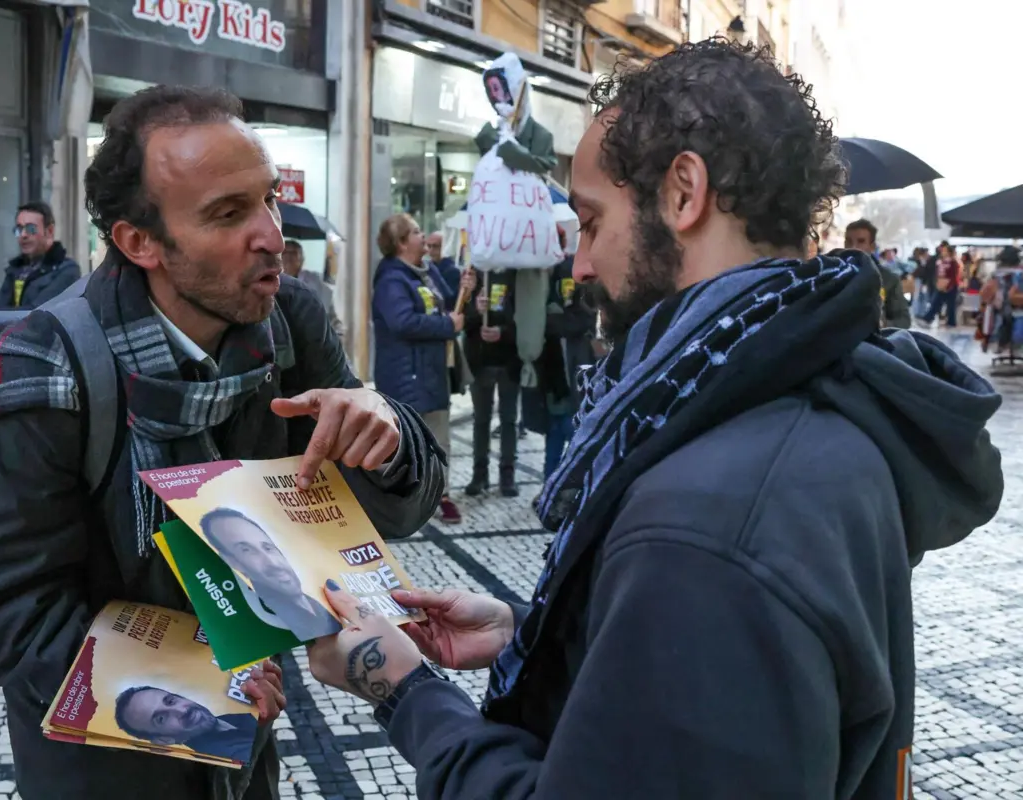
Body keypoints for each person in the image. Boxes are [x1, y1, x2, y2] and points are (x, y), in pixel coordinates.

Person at [303, 39, 1004, 798]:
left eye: (591, 221)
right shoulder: (819, 399)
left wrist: (406, 691)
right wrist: (546, 633)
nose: (579, 264)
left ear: (683, 194)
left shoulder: (707, 518)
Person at [0, 85, 446, 800]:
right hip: (102, 765)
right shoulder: (39, 368)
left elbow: (378, 513)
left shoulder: (287, 320)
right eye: (228, 214)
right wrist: (197, 690)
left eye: (268, 199)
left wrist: (386, 440)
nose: (272, 235)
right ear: (139, 243)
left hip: (244, 758)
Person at [371, 212, 471, 524]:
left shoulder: (426, 272)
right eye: (416, 231)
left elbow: (449, 303)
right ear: (401, 243)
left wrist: (466, 290)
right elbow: (402, 322)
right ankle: (404, 500)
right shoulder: (391, 279)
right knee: (406, 441)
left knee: (439, 438)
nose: (423, 236)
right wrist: (447, 326)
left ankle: (441, 495)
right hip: (406, 376)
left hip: (432, 373)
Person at [201, 508, 341, 640]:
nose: (273, 563)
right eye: (246, 550)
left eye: (268, 547)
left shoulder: (320, 601)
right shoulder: (268, 620)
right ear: (232, 562)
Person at [532, 229, 595, 481]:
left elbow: (582, 316)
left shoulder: (571, 271)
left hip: (571, 364)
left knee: (570, 426)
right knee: (555, 430)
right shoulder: (534, 275)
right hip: (549, 369)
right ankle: (551, 484)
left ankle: (568, 483)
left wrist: (549, 321)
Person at [462, 267, 521, 497]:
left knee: (509, 420)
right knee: (481, 420)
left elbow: (526, 318)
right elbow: (460, 321)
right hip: (480, 362)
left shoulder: (516, 274)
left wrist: (502, 332)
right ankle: (480, 473)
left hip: (509, 361)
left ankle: (507, 474)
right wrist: (476, 311)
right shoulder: (472, 275)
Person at [115, 685, 260, 761]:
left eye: (171, 701)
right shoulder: (231, 755)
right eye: (161, 718)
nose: (181, 711)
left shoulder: (235, 718)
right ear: (163, 740)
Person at [0, 201, 81, 310]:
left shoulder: (66, 270)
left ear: (49, 231)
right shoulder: (16, 268)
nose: (23, 235)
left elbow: (37, 313)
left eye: (31, 229)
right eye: (19, 229)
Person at [844, 219, 912, 329]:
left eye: (861, 241)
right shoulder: (831, 274)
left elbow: (903, 320)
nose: (853, 246)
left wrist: (881, 325)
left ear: (872, 247)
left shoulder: (888, 279)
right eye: (848, 241)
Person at [282, 239, 343, 340]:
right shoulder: (271, 280)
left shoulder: (314, 282)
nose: (288, 257)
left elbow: (328, 314)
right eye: (284, 253)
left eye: (293, 253)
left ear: (302, 260)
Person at [922, 241, 963, 327]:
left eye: (945, 251)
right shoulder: (941, 261)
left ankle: (951, 322)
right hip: (941, 285)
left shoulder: (953, 262)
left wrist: (949, 286)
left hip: (951, 286)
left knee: (950, 305)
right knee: (936, 302)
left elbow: (954, 276)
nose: (942, 252)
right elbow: (938, 273)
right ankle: (928, 318)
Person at [424, 231, 461, 297]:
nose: (431, 250)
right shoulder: (427, 267)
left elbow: (450, 298)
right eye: (429, 246)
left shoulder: (452, 271)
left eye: (435, 246)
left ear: (444, 247)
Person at [909, 246, 933, 318]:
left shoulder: (926, 261)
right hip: (918, 280)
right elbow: (917, 272)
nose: (928, 254)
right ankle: (916, 312)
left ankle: (922, 312)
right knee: (917, 297)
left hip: (924, 281)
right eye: (926, 253)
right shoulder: (916, 261)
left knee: (923, 297)